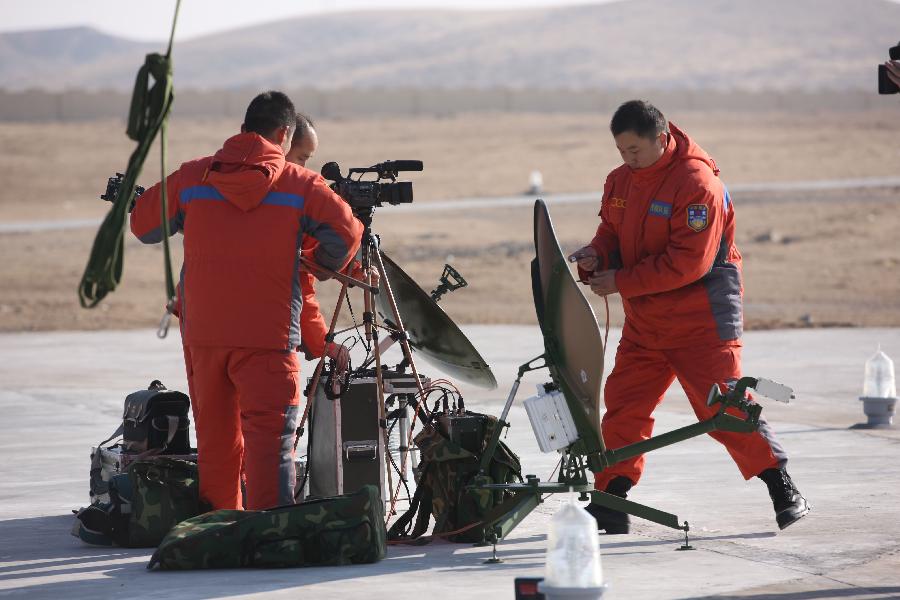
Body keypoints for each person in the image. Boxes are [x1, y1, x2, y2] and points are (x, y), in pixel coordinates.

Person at [569, 100, 809, 533]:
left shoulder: (697, 184)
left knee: (726, 406)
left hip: (702, 322)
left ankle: (782, 486)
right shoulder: (619, 181)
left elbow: (689, 263)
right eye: (621, 150)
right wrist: (595, 255)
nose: (628, 158)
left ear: (662, 139)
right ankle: (611, 499)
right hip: (647, 322)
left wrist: (620, 281)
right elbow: (611, 233)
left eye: (635, 149)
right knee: (624, 406)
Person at [131, 91, 363, 511]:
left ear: (242, 130)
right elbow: (347, 233)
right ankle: (268, 536)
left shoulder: (194, 178)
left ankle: (221, 531)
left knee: (218, 445)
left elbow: (143, 225)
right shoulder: (301, 186)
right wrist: (320, 262)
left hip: (205, 338)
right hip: (269, 340)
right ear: (283, 134)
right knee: (270, 447)